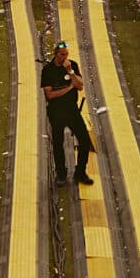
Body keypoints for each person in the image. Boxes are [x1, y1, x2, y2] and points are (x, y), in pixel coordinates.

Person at [40, 39, 95, 187]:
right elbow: (49, 95)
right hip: (56, 112)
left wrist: (70, 72)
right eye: (62, 55)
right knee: (58, 144)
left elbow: (80, 86)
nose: (65, 57)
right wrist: (69, 88)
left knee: (84, 141)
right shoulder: (47, 71)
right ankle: (61, 174)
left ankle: (80, 172)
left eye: (66, 54)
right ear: (56, 55)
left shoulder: (72, 66)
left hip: (72, 110)